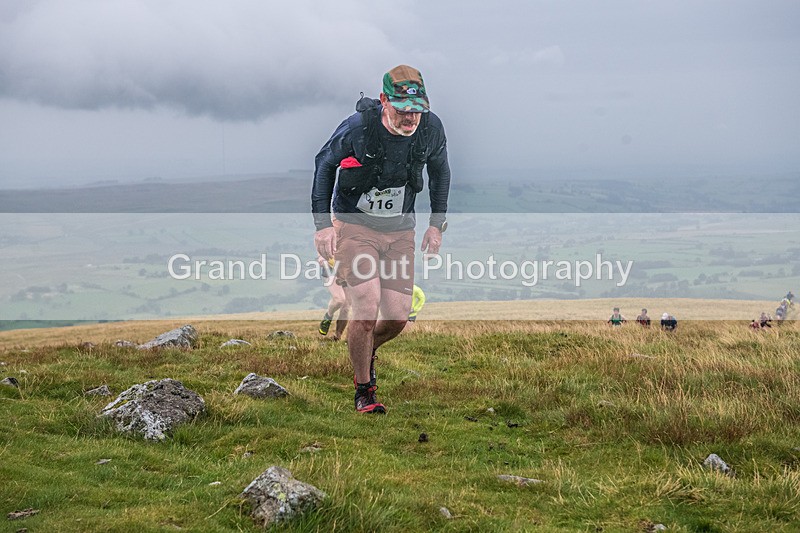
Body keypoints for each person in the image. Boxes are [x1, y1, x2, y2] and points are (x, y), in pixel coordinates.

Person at [312, 65, 451, 414]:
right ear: (384, 100)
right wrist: (323, 226)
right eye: (403, 110)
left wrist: (436, 224)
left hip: (401, 229)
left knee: (398, 316)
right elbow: (324, 164)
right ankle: (365, 390)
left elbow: (440, 171)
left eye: (416, 110)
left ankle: (365, 347)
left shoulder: (430, 129)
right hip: (354, 224)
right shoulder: (359, 128)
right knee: (365, 305)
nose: (411, 119)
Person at [318, 256, 349, 341]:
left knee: (346, 307)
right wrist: (321, 257)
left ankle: (337, 336)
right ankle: (328, 316)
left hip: (347, 269)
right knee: (339, 299)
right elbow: (321, 244)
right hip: (330, 268)